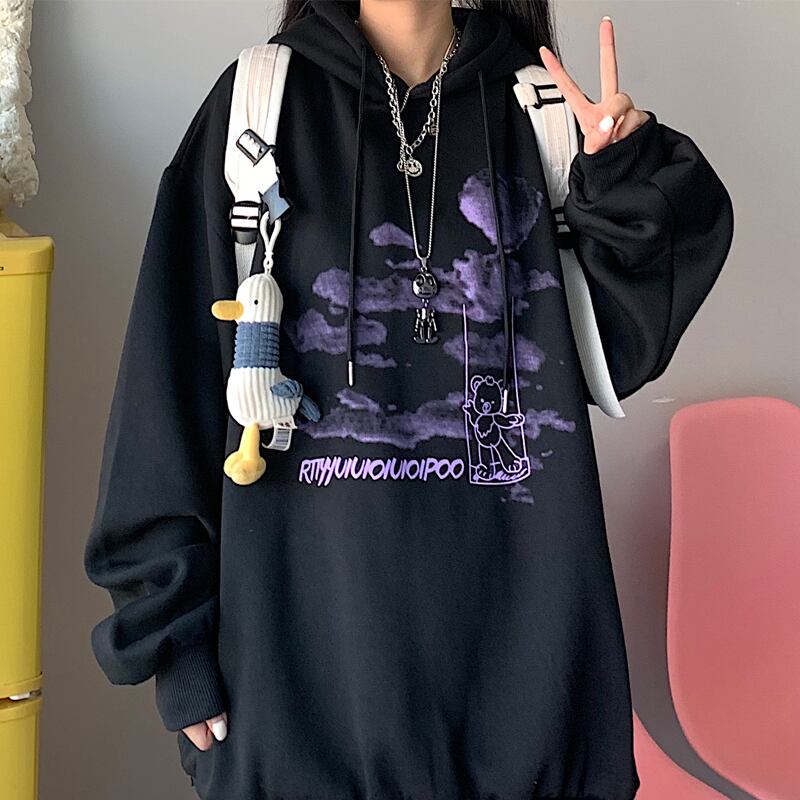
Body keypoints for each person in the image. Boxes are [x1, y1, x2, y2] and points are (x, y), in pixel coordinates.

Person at [83, 1, 733, 798]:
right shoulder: (258, 106)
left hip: (529, 715)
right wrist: (174, 644)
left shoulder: (541, 110)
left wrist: (625, 174)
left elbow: (626, 342)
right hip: (302, 714)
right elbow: (164, 392)